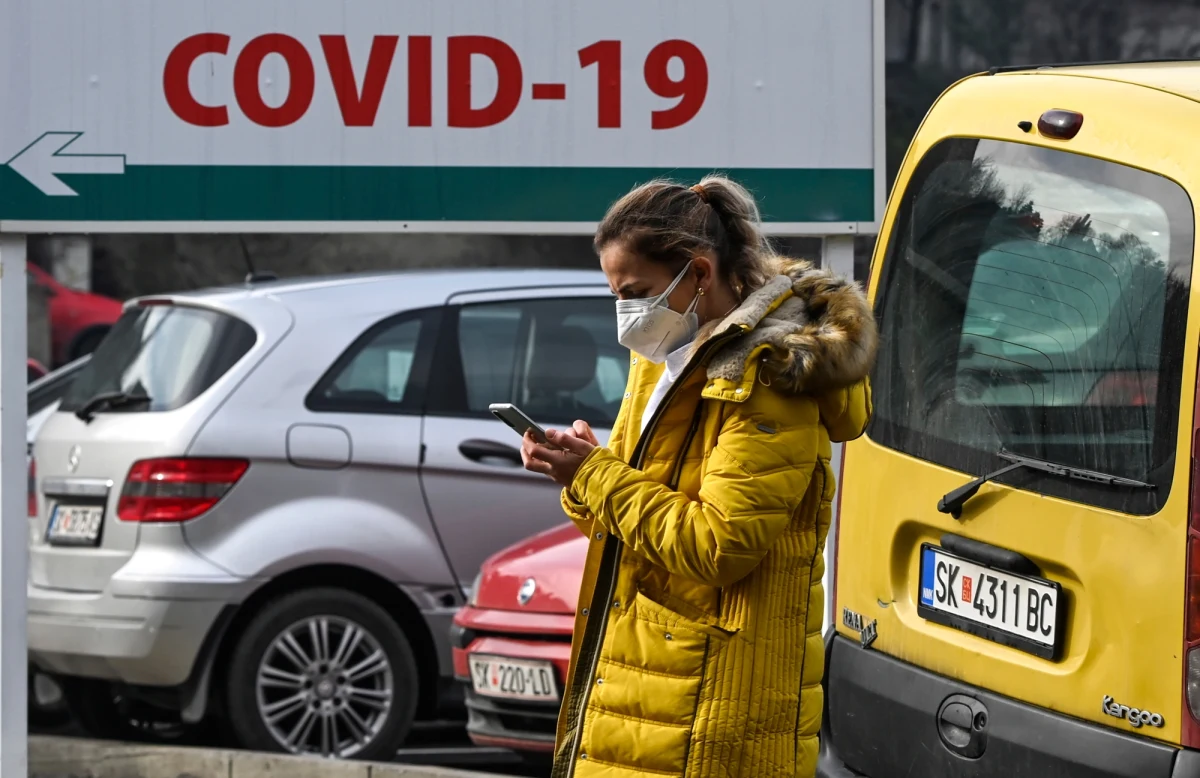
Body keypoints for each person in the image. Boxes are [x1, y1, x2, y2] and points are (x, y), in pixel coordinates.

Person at [520, 175, 877, 778]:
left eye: (636, 291)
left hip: (711, 708)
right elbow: (637, 525)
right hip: (643, 686)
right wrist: (578, 474)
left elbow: (718, 547)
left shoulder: (768, 379)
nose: (626, 312)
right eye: (616, 294)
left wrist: (598, 476)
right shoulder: (661, 355)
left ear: (700, 275)